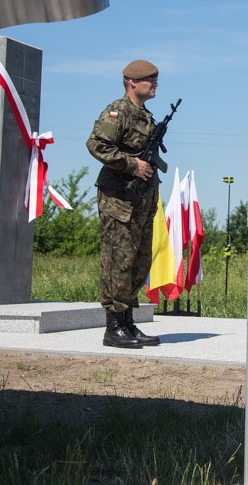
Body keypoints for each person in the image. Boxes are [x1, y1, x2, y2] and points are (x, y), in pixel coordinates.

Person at [86, 59, 163, 348]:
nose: (155, 84)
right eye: (150, 80)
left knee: (139, 262)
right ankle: (113, 327)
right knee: (119, 262)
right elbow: (96, 144)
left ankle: (129, 323)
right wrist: (132, 165)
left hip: (141, 202)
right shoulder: (118, 112)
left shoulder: (145, 115)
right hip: (119, 200)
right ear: (132, 82)